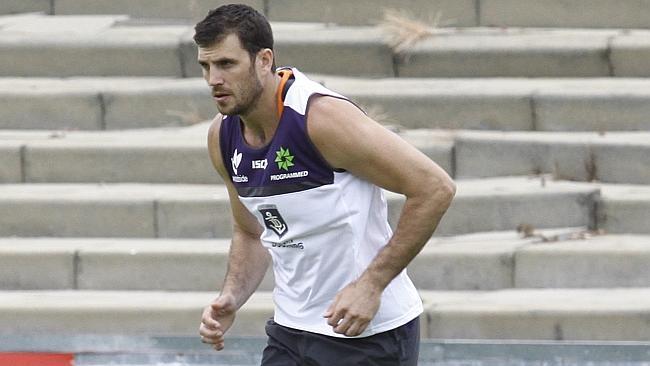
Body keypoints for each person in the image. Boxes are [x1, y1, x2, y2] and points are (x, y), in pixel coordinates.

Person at [195, 4, 456, 365]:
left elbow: (434, 188)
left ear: (264, 60)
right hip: (290, 332)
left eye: (226, 64)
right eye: (206, 67)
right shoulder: (222, 136)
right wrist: (232, 296)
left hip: (368, 336)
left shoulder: (321, 120)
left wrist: (372, 284)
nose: (213, 80)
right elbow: (251, 231)